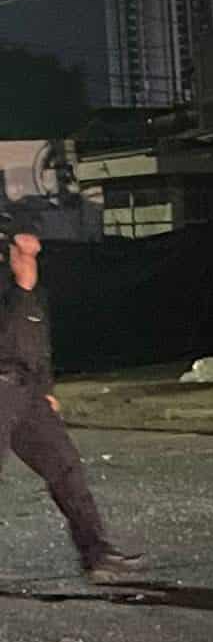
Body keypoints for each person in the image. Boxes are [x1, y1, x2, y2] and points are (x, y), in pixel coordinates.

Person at [0, 222, 144, 583]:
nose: (30, 252)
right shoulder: (10, 294)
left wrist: (46, 389)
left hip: (28, 394)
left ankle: (98, 555)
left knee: (66, 469)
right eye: (23, 248)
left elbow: (38, 346)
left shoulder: (33, 296)